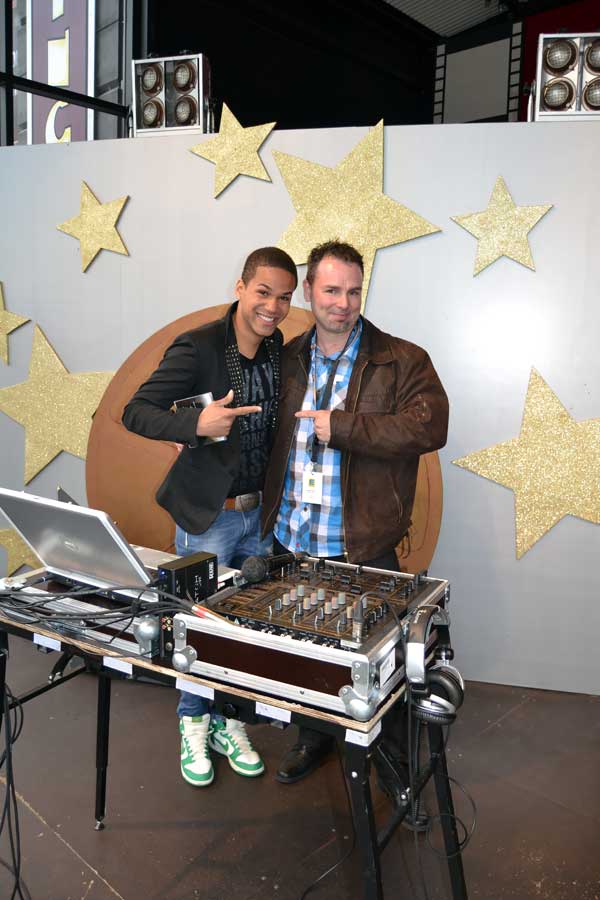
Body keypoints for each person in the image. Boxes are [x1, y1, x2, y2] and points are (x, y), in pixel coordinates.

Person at [261, 240, 449, 785]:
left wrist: (342, 427)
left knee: (380, 660)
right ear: (309, 291)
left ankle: (393, 761)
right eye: (331, 290)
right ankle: (313, 736)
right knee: (305, 649)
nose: (342, 303)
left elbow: (429, 427)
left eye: (353, 291)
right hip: (292, 537)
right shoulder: (287, 356)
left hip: (362, 540)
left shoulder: (402, 359)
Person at [122, 246, 297, 787]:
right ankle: (193, 724)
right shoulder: (198, 346)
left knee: (242, 628)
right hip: (209, 518)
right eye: (263, 292)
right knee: (197, 625)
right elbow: (135, 411)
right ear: (240, 288)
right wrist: (194, 425)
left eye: (284, 297)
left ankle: (228, 722)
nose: (272, 306)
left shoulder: (277, 349)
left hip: (260, 517)